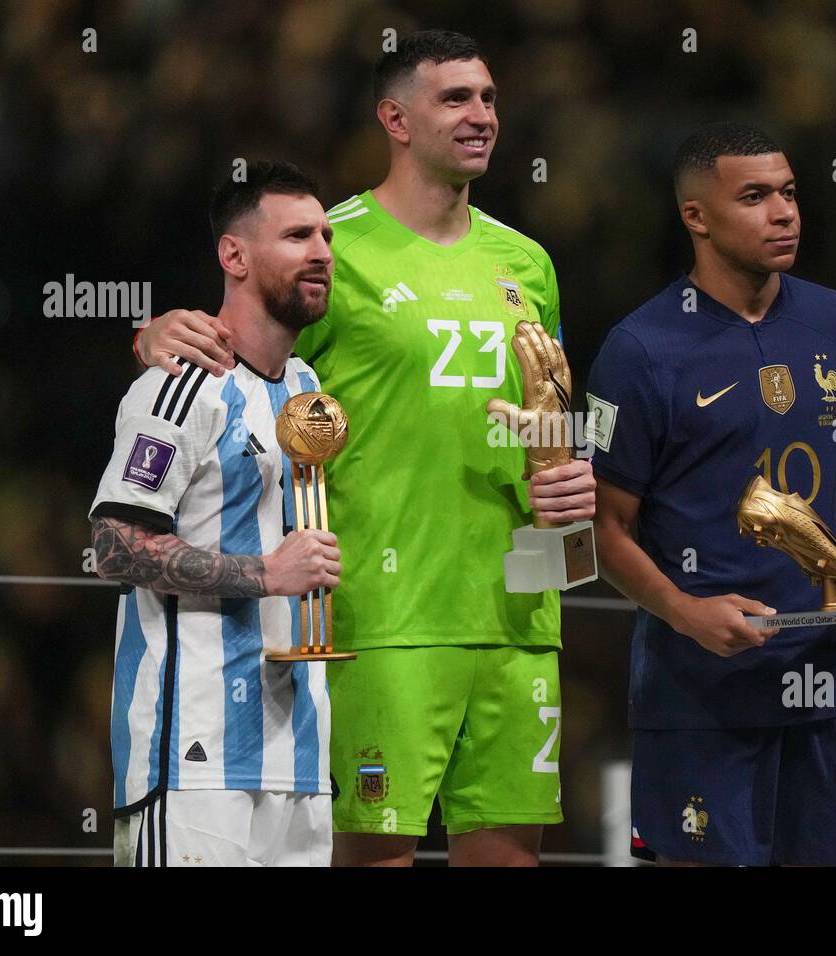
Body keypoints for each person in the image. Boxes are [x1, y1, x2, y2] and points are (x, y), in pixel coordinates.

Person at [133, 31, 595, 867]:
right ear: (396, 118)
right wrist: (156, 330)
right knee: (368, 858)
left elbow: (557, 411)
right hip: (382, 617)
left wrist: (571, 474)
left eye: (488, 98)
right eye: (455, 99)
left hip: (519, 612)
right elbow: (231, 346)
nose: (481, 115)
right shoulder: (331, 249)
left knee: (510, 859)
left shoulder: (527, 261)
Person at [586, 123, 836, 866]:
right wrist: (687, 614)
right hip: (700, 698)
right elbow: (603, 529)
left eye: (789, 192)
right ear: (696, 217)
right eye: (755, 197)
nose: (785, 212)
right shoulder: (637, 352)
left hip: (833, 689)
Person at [90, 161, 342, 866]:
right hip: (193, 758)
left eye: (325, 234)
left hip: (297, 757)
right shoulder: (180, 382)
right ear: (234, 255)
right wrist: (267, 572)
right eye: (296, 235)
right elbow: (114, 545)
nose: (321, 250)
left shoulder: (306, 386)